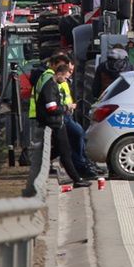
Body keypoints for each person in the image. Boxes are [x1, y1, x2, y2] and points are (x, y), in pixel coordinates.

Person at [25, 57, 92, 194]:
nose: (66, 80)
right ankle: (77, 179)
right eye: (66, 77)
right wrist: (67, 107)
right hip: (53, 122)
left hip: (56, 122)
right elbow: (51, 108)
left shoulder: (53, 84)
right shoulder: (50, 86)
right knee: (64, 152)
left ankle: (76, 178)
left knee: (61, 151)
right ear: (60, 74)